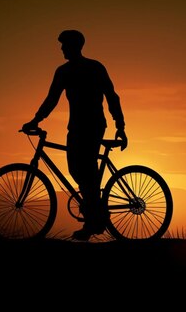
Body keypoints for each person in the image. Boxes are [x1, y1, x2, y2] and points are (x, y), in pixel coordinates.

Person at [22, 30, 127, 241]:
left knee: (84, 171)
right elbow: (52, 99)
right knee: (78, 171)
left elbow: (110, 96)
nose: (61, 49)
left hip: (92, 126)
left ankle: (94, 220)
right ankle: (95, 214)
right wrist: (36, 119)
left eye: (64, 45)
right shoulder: (69, 70)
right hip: (79, 127)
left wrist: (120, 125)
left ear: (74, 46)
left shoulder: (84, 69)